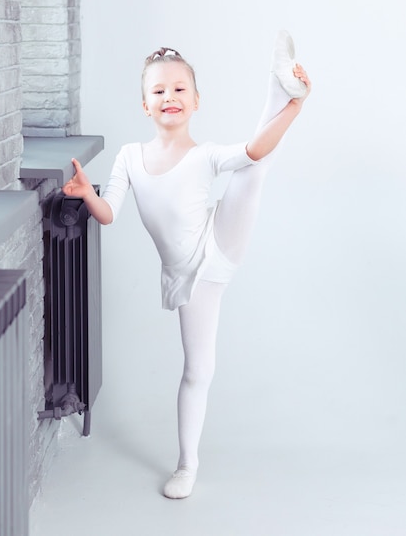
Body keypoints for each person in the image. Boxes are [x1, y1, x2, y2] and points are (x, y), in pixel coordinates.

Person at [62, 30, 311, 499]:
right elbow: (110, 212)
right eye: (158, 91)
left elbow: (256, 150)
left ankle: (281, 89)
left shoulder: (205, 155)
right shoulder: (130, 158)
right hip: (189, 280)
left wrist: (295, 109)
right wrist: (87, 195)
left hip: (220, 243)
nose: (169, 97)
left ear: (196, 101)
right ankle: (186, 465)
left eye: (179, 90)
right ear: (145, 106)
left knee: (252, 173)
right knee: (198, 370)